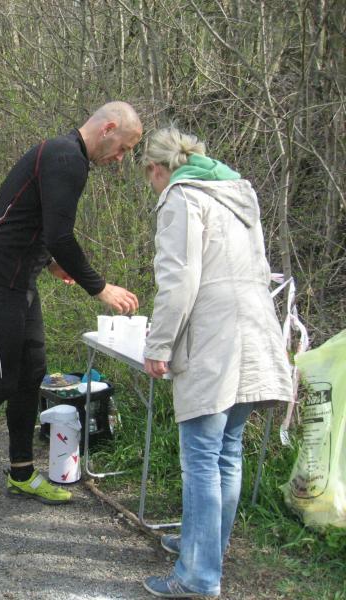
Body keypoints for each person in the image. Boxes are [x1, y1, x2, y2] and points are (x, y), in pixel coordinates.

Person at [0, 101, 142, 527]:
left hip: (21, 277)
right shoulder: (67, 157)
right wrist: (99, 287)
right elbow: (60, 234)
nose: (121, 158)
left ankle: (22, 471)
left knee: (31, 374)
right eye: (123, 148)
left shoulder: (64, 154)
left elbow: (32, 218)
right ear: (108, 129)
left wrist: (49, 262)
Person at [140, 127, 291, 598]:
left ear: (157, 169)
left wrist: (159, 344)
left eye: (149, 177)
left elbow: (180, 279)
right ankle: (205, 547)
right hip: (255, 329)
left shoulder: (181, 197)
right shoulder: (238, 194)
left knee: (203, 457)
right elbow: (260, 268)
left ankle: (198, 576)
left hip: (214, 336)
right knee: (228, 450)